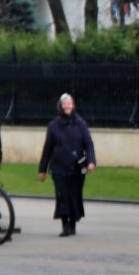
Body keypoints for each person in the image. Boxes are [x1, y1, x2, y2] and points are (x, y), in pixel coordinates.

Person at [36, 93, 95, 237]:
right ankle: (65, 225)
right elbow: (47, 148)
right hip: (59, 167)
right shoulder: (54, 125)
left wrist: (91, 162)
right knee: (62, 195)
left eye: (69, 103)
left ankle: (73, 224)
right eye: (64, 103)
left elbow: (88, 144)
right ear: (61, 106)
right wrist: (42, 169)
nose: (67, 106)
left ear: (73, 105)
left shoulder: (81, 123)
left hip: (77, 167)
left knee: (74, 195)